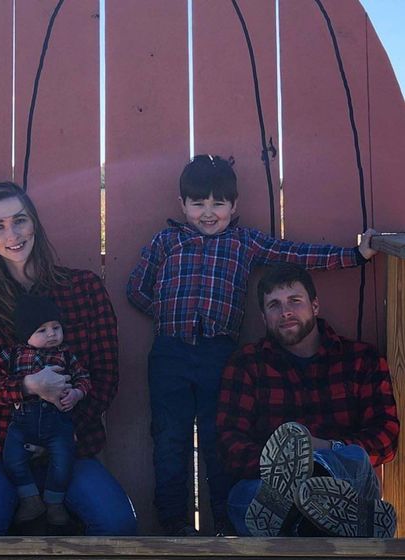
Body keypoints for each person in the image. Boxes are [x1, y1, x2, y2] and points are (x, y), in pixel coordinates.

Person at [127, 154, 377, 537]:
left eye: (218, 203)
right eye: (198, 204)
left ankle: (226, 523)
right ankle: (174, 524)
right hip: (170, 352)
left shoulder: (244, 242)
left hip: (217, 354)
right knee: (169, 437)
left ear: (234, 206)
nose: (208, 213)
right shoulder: (167, 241)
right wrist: (166, 316)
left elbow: (294, 253)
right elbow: (136, 287)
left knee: (216, 438)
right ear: (182, 205)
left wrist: (354, 256)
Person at [0, 181, 137, 536]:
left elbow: (106, 377)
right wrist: (29, 386)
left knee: (118, 525)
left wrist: (61, 424)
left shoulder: (84, 289)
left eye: (20, 221)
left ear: (34, 224)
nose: (12, 234)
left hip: (70, 445)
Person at [217, 263, 399, 537]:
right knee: (244, 498)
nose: (285, 311)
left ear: (314, 306)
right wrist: (288, 460)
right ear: (264, 317)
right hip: (274, 487)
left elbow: (386, 436)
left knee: (354, 456)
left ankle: (309, 516)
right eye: (274, 305)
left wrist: (323, 449)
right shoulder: (247, 364)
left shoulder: (361, 359)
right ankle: (320, 520)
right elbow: (230, 442)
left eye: (294, 301)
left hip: (345, 478)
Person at [0, 294, 92, 527]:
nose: (52, 334)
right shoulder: (16, 353)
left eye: (56, 328)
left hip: (58, 423)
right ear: (27, 334)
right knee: (12, 458)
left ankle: (54, 503)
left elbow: (84, 378)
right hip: (22, 422)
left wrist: (76, 394)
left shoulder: (66, 355)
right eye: (42, 330)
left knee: (63, 460)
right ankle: (30, 500)